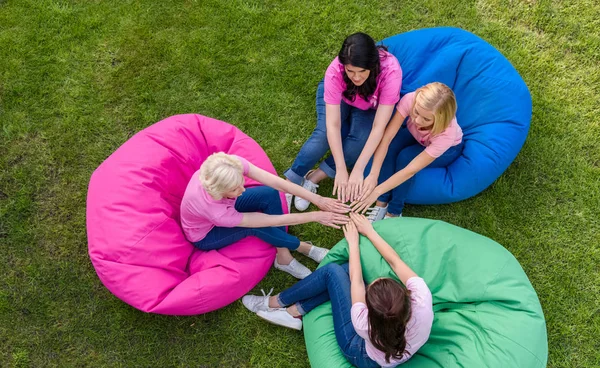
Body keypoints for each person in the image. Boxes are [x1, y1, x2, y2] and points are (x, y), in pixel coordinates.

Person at [241, 213, 433, 368]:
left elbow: (356, 282)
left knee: (333, 272)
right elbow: (395, 261)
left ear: (370, 310)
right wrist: (370, 231)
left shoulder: (362, 323)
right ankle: (294, 312)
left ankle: (275, 302)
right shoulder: (421, 298)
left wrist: (352, 243)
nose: (374, 280)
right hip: (390, 347)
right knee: (343, 270)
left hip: (359, 351)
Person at [180, 152, 350, 279]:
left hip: (223, 205)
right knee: (260, 229)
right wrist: (316, 216)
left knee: (269, 193)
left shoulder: (229, 165)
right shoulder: (217, 213)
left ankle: (282, 254)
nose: (243, 189)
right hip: (206, 234)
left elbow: (277, 183)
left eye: (241, 182)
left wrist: (318, 199)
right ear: (220, 191)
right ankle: (301, 247)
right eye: (234, 189)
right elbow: (269, 220)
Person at [284, 32, 402, 211]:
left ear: (372, 64)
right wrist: (340, 168)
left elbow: (379, 127)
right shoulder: (335, 71)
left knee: (361, 140)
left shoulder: (391, 72)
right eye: (350, 71)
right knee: (323, 134)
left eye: (362, 71)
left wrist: (357, 170)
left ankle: (313, 178)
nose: (356, 77)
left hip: (369, 106)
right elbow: (333, 125)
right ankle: (289, 183)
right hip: (342, 98)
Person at [352, 82, 463, 221]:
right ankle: (381, 204)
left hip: (448, 149)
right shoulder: (411, 99)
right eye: (416, 112)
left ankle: (394, 212)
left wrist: (376, 190)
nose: (417, 120)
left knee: (405, 158)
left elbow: (410, 170)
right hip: (416, 136)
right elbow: (386, 138)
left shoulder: (447, 134)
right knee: (391, 146)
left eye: (426, 119)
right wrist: (373, 175)